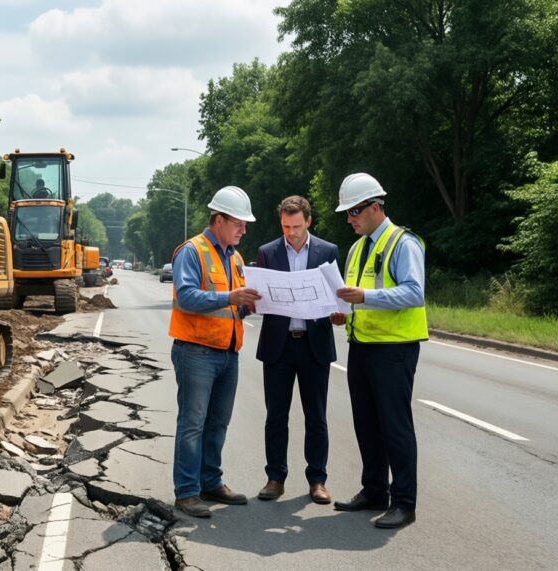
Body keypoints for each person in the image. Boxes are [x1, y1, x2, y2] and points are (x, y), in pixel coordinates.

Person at [330, 173, 428, 529]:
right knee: (366, 425)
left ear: (375, 206)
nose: (349, 219)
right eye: (347, 213)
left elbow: (414, 293)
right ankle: (374, 490)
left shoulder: (403, 243)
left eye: (354, 211)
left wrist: (365, 298)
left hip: (394, 349)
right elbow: (356, 296)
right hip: (362, 347)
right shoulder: (357, 248)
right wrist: (343, 313)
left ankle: (404, 503)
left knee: (395, 427)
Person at [169, 186, 262, 519]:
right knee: (193, 424)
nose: (243, 229)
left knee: (218, 423)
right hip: (196, 351)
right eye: (239, 223)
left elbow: (235, 306)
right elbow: (187, 297)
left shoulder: (235, 257)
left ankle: (211, 481)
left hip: (227, 352)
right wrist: (230, 298)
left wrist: (247, 305)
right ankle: (187, 492)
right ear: (219, 219)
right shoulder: (192, 251)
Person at [255, 196, 338, 505]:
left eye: (297, 226)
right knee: (276, 415)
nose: (291, 232)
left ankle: (317, 480)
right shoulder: (267, 252)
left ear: (309, 221)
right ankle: (275, 478)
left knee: (316, 416)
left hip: (314, 343)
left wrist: (338, 312)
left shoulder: (328, 251)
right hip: (278, 345)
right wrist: (254, 299)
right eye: (286, 226)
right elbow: (260, 299)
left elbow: (335, 295)